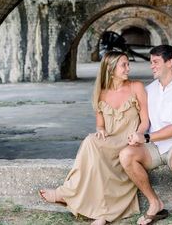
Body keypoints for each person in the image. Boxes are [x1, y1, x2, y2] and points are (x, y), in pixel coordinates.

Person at [38, 51, 150, 225]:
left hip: (129, 141)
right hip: (110, 140)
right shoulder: (101, 93)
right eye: (124, 65)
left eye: (128, 64)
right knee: (92, 142)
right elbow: (100, 125)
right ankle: (97, 211)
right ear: (111, 70)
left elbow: (145, 121)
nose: (129, 68)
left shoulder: (137, 87)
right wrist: (101, 130)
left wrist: (139, 134)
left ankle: (69, 195)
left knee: (92, 149)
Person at [119, 45, 172, 225]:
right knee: (126, 155)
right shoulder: (149, 90)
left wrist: (146, 138)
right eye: (151, 62)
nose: (152, 66)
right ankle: (155, 203)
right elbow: (144, 120)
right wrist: (138, 134)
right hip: (154, 147)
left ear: (170, 62)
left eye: (156, 62)